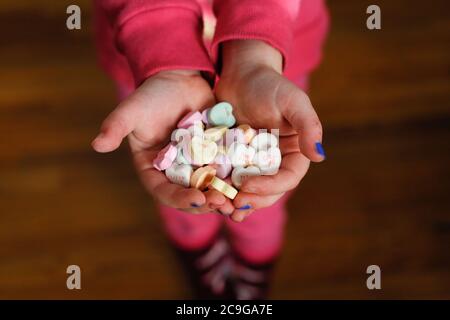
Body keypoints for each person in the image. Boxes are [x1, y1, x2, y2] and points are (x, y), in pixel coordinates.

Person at [92, 0, 329, 299]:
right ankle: (198, 250)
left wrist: (254, 52)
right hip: (147, 54)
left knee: (261, 200)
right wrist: (169, 62)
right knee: (187, 203)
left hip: (276, 49)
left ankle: (256, 263)